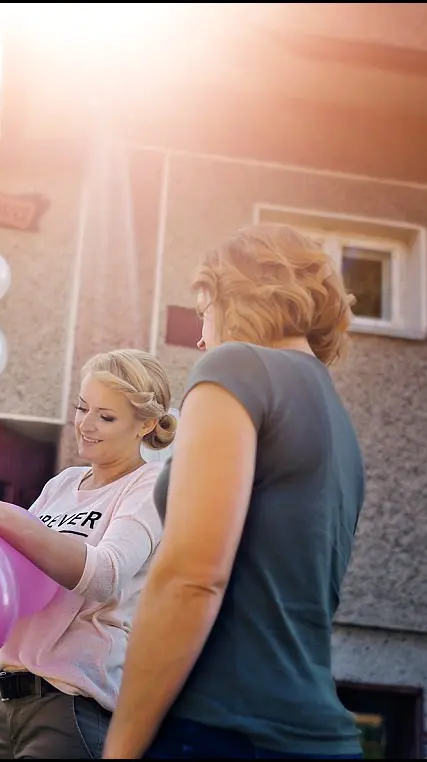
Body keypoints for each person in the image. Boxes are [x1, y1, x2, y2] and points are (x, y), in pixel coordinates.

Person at [104, 224, 367, 760]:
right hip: (318, 738)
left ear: (237, 295)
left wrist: (121, 748)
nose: (202, 337)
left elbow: (192, 577)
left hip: (219, 730)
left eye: (203, 310)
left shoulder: (238, 366)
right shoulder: (339, 423)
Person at [0, 349, 178, 760]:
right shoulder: (63, 484)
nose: (86, 425)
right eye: (82, 408)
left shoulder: (149, 487)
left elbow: (104, 575)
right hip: (1, 704)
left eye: (106, 416)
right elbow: (14, 572)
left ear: (146, 424)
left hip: (70, 708)